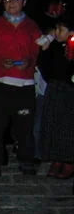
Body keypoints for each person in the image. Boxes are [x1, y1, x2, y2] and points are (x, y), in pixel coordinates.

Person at [0, 0, 41, 176]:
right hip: (1, 82)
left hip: (24, 83)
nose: (11, 3)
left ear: (24, 2)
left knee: (25, 125)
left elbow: (37, 49)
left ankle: (26, 159)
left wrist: (29, 62)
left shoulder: (31, 26)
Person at [38, 15, 74, 178]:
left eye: (61, 30)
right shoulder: (55, 46)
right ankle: (56, 158)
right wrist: (44, 51)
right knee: (53, 124)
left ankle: (69, 161)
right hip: (55, 88)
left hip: (69, 91)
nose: (57, 33)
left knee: (67, 127)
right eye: (56, 29)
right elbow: (46, 68)